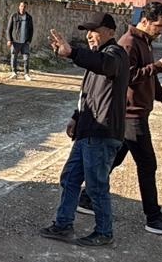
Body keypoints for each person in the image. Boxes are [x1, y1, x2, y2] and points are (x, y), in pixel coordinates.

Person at [80, 2, 162, 234]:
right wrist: (156, 67)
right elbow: (127, 76)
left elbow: (149, 79)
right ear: (144, 21)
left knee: (114, 159)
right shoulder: (128, 43)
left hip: (136, 113)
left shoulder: (145, 42)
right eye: (158, 25)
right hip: (129, 114)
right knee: (147, 164)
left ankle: (86, 197)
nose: (161, 30)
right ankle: (154, 217)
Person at [40, 13, 128, 247]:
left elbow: (104, 65)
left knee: (96, 186)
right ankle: (63, 225)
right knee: (70, 178)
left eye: (94, 30)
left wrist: (73, 53)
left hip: (102, 134)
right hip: (87, 132)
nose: (89, 35)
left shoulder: (115, 55)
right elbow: (89, 95)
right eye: (87, 31)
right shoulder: (97, 58)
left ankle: (104, 232)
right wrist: (75, 117)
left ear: (110, 31)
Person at [8, 0, 35, 80]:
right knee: (14, 57)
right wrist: (9, 39)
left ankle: (26, 74)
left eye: (24, 7)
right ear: (19, 6)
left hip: (25, 42)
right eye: (21, 6)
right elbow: (9, 29)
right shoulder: (14, 16)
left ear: (27, 8)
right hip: (15, 41)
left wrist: (29, 40)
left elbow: (31, 30)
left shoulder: (29, 17)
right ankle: (14, 72)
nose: (23, 8)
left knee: (26, 58)